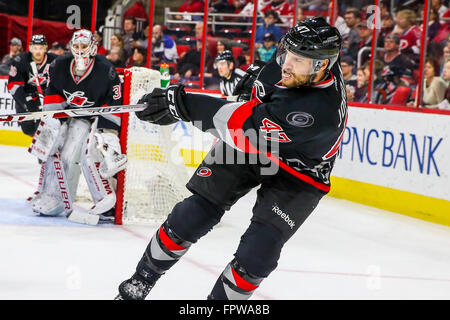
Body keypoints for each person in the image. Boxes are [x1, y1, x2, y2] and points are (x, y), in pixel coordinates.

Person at [115, 17, 347, 300]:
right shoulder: (294, 58)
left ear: (322, 65)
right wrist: (261, 75)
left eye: (298, 61)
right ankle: (139, 282)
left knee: (258, 254)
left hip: (300, 173)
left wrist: (181, 105)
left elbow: (240, 127)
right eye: (287, 54)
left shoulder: (318, 111)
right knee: (192, 215)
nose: (286, 64)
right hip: (255, 140)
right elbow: (265, 90)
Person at [28, 29, 127, 222]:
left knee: (91, 154)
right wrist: (54, 125)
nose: (80, 50)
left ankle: (106, 199)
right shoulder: (59, 66)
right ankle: (53, 196)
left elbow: (114, 106)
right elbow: (53, 97)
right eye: (76, 46)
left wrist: (107, 135)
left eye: (84, 46)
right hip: (74, 117)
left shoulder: (106, 70)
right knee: (62, 153)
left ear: (93, 48)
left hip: (97, 117)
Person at [7, 34, 57, 137]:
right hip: (26, 97)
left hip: (46, 97)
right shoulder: (20, 60)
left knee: (44, 127)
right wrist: (26, 105)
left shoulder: (55, 61)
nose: (38, 52)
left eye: (41, 48)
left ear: (46, 48)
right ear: (30, 48)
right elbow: (13, 86)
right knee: (28, 130)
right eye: (35, 48)